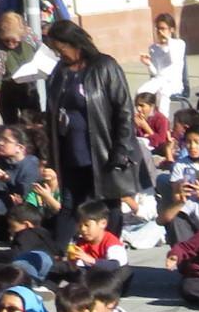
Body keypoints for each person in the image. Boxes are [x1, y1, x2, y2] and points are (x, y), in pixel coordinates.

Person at [38, 21, 152, 247]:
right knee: (70, 205)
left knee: (108, 206)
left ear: (75, 43)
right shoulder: (59, 73)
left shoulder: (104, 66)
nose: (59, 55)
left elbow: (124, 109)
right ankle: (59, 256)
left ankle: (110, 253)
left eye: (61, 49)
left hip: (103, 151)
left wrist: (121, 148)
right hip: (71, 150)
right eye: (55, 51)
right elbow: (51, 112)